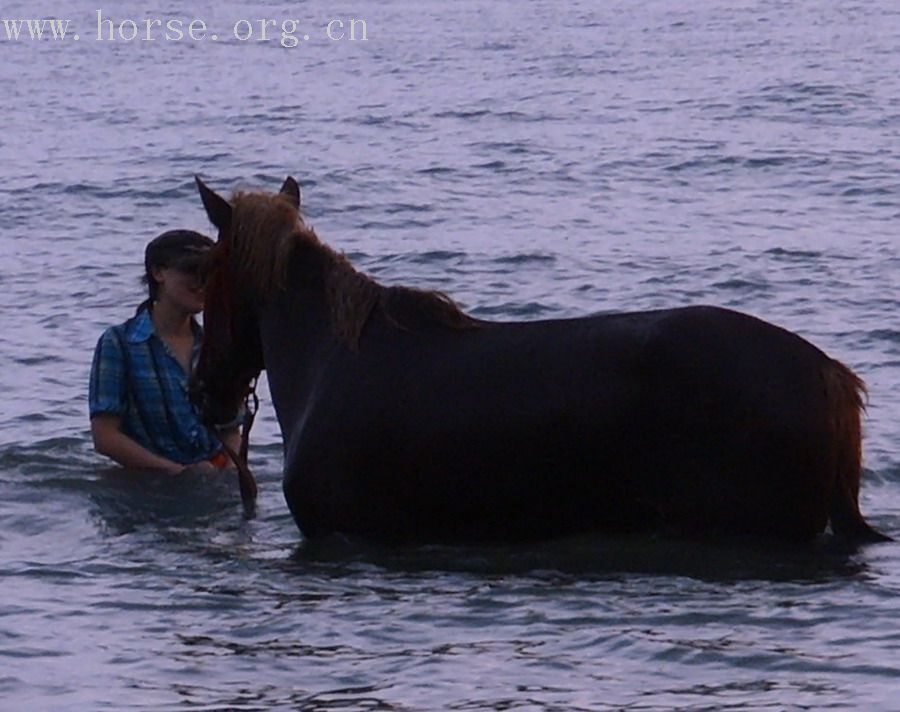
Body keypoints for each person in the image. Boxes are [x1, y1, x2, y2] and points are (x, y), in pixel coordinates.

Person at [89, 229, 240, 474]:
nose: (202, 282)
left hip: (214, 484)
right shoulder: (118, 343)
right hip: (148, 489)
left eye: (210, 273)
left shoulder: (218, 347)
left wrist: (228, 470)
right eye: (191, 270)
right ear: (158, 272)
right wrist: (176, 471)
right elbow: (105, 436)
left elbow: (232, 428)